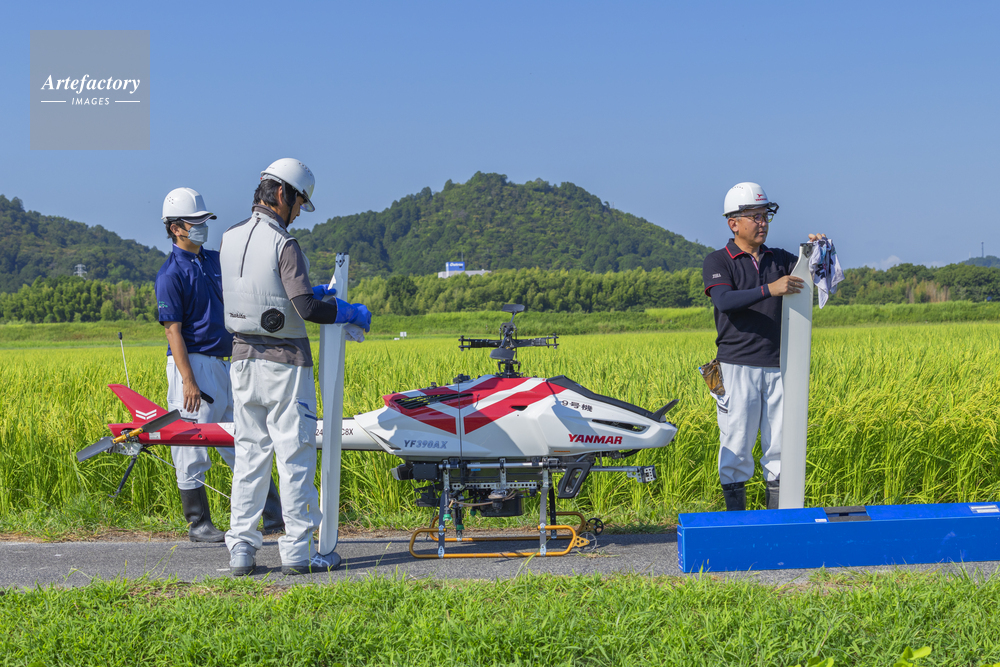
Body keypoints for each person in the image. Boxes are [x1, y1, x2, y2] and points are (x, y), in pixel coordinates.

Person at [221, 158, 372, 576]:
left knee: (249, 456)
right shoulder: (284, 244)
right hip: (285, 366)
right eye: (300, 203)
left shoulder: (230, 237)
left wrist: (307, 289)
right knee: (295, 456)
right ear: (282, 193)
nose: (299, 213)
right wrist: (346, 311)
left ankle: (241, 550)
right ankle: (297, 553)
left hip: (242, 360)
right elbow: (305, 308)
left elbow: (258, 290)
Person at [155, 187, 285, 542]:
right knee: (192, 445)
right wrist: (188, 381)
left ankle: (274, 516)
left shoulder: (214, 261)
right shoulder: (170, 274)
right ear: (175, 228)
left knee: (245, 440)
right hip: (193, 366)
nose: (202, 227)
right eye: (194, 222)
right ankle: (198, 523)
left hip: (228, 364)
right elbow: (172, 331)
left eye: (204, 220)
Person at [701, 182, 824, 511]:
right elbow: (724, 300)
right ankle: (736, 523)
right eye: (754, 216)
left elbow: (813, 273)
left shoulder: (780, 259)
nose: (762, 222)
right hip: (736, 365)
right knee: (736, 444)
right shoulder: (719, 260)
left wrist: (818, 251)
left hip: (779, 365)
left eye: (765, 215)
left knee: (781, 447)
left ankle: (778, 522)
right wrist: (770, 289)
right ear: (734, 223)